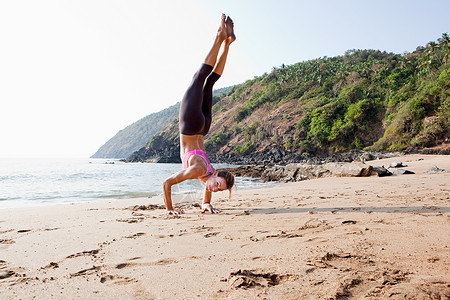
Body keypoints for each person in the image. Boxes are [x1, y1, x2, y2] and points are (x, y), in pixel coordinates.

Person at [162, 14, 236, 215]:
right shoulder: (199, 172)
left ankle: (228, 43)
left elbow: (207, 186)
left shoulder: (208, 174)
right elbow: (167, 182)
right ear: (217, 174)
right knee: (200, 77)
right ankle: (220, 37)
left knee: (209, 81)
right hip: (192, 125)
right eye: (218, 184)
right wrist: (170, 209)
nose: (213, 188)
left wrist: (205, 203)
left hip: (203, 127)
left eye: (217, 189)